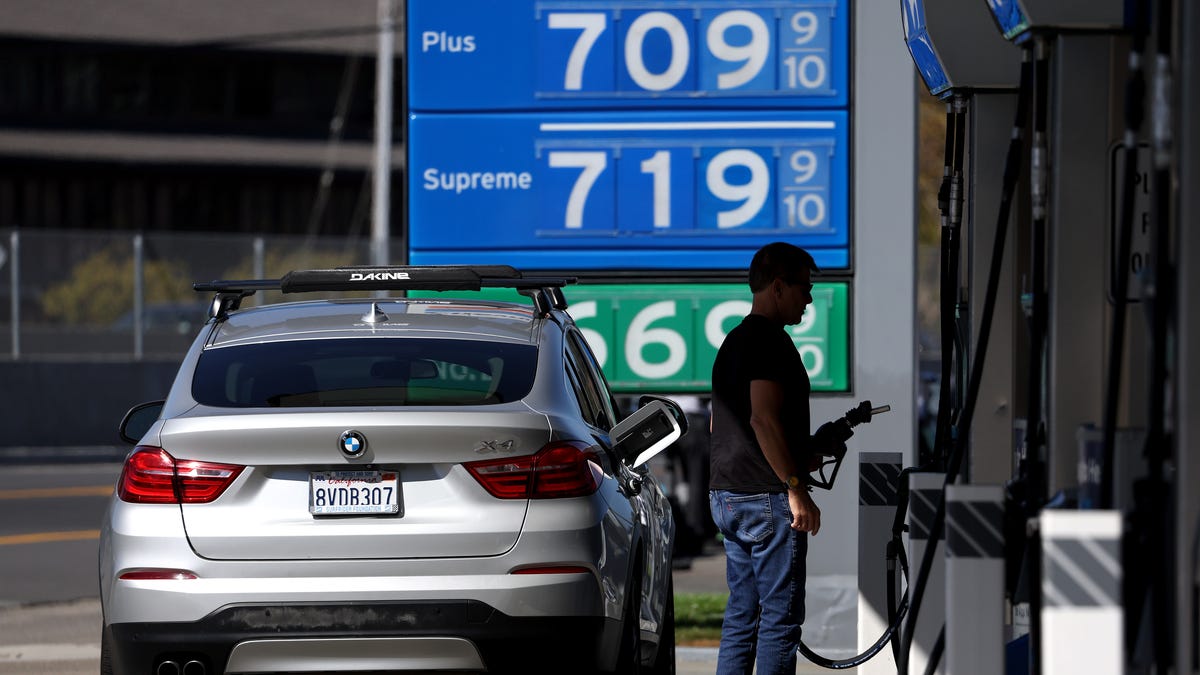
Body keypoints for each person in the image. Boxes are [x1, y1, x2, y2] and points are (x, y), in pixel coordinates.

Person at [708, 241, 823, 675]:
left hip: (728, 494)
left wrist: (805, 453)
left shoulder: (733, 341)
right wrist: (795, 488)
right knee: (780, 619)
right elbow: (762, 419)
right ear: (777, 287)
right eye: (803, 288)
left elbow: (726, 424)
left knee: (743, 615)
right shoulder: (769, 342)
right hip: (767, 500)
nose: (808, 299)